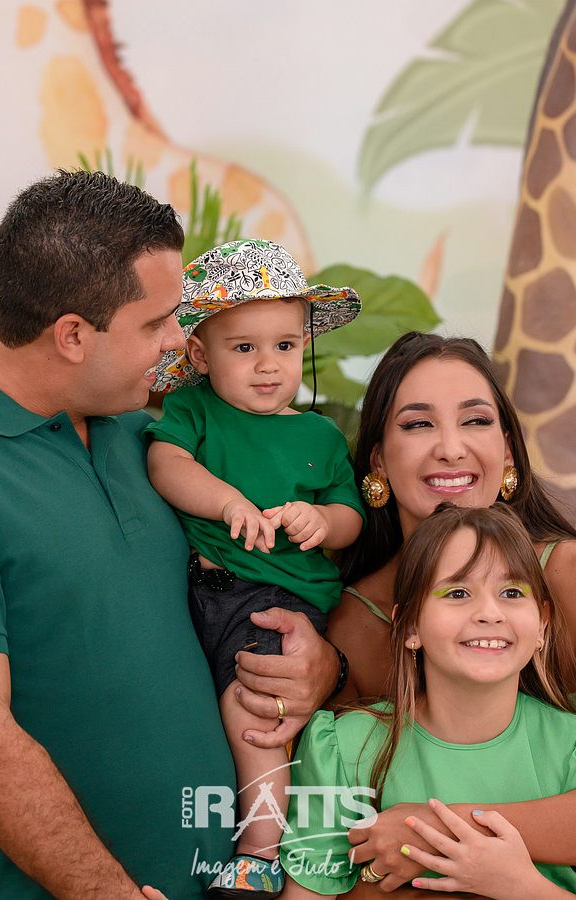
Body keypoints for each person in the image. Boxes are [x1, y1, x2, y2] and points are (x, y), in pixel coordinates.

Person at [0, 171, 342, 899]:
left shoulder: (149, 438)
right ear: (73, 334)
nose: (177, 341)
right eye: (156, 323)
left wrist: (320, 666)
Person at [327, 333, 576, 897]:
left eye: (476, 421)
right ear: (378, 461)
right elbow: (347, 840)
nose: (451, 448)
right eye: (418, 424)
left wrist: (440, 831)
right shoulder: (358, 619)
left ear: (509, 451)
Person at [145, 239, 365, 896]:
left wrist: (322, 521)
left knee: (254, 709)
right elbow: (166, 464)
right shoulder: (194, 412)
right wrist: (227, 501)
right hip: (200, 591)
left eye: (285, 346)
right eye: (244, 348)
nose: (268, 365)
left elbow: (350, 515)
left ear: (305, 345)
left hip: (277, 598)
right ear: (200, 355)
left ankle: (261, 848)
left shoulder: (319, 436)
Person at [279, 504, 576, 898]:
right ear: (410, 625)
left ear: (542, 625)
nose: (489, 613)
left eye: (511, 592)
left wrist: (518, 885)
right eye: (458, 592)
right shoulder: (343, 749)